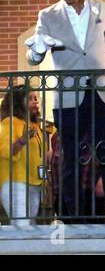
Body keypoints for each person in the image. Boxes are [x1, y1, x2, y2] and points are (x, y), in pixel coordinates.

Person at [25, 0, 105, 223]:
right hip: (67, 97)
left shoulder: (100, 8)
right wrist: (36, 48)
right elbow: (34, 57)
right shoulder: (47, 16)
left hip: (101, 93)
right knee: (69, 159)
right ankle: (71, 218)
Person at [0, 86, 45, 226]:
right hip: (15, 181)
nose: (35, 102)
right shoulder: (10, 122)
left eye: (36, 98)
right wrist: (21, 141)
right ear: (19, 102)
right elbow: (5, 151)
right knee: (22, 226)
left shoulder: (35, 126)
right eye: (30, 99)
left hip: (34, 182)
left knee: (29, 227)